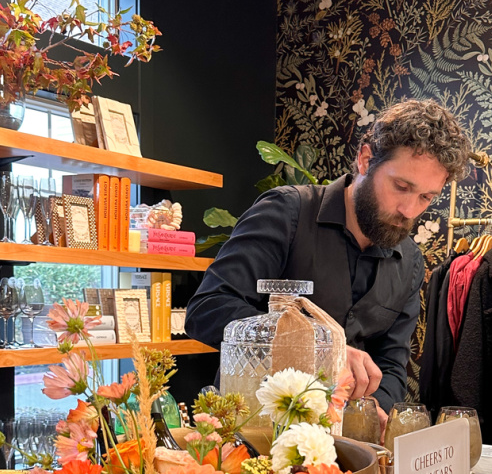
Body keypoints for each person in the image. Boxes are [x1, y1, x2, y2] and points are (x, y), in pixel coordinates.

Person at [185, 99, 471, 440]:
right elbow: (207, 310)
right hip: (250, 435)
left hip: (339, 448)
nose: (409, 210)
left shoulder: (409, 261)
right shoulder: (287, 213)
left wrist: (372, 411)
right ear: (366, 160)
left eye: (426, 197)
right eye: (401, 187)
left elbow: (392, 364)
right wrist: (320, 350)